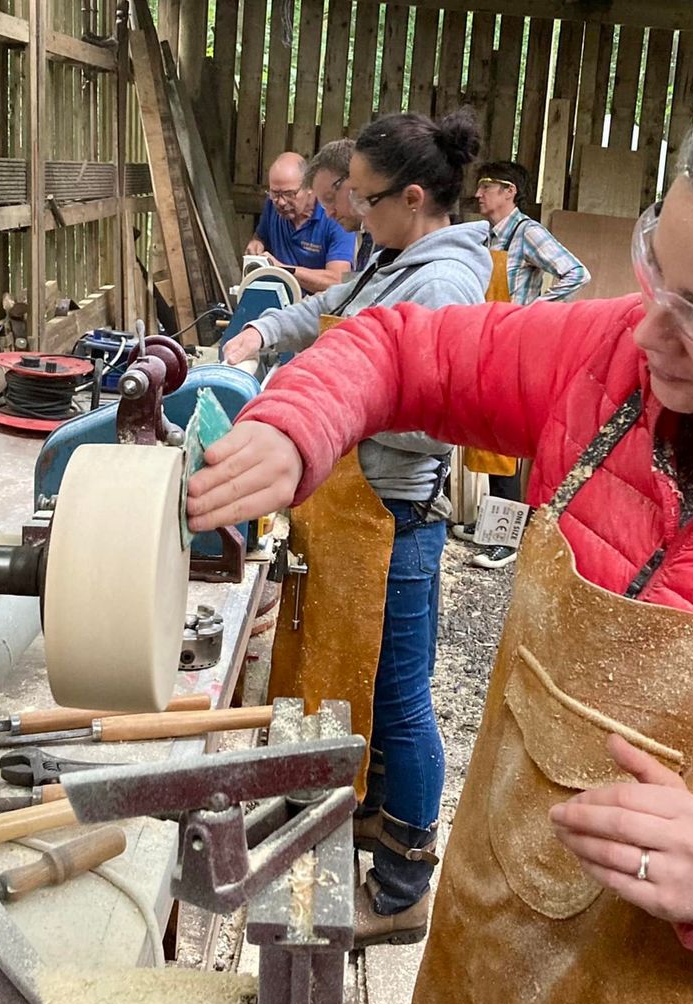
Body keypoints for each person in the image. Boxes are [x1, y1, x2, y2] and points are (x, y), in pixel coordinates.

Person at [189, 67, 693, 1004]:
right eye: (657, 268)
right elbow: (396, 346)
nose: (647, 330)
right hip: (489, 963)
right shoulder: (609, 364)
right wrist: (299, 425)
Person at [226, 109, 491, 948]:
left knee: (405, 701)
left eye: (368, 201)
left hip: (396, 516)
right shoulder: (396, 262)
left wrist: (329, 421)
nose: (355, 214)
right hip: (357, 507)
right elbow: (335, 307)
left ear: (414, 198)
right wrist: (261, 332)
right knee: (371, 681)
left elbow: (438, 421)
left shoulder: (443, 284)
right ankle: (374, 817)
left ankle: (408, 880)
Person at [458, 159, 592, 569]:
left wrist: (532, 314)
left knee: (503, 443)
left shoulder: (526, 232)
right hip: (486, 340)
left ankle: (505, 540)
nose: (478, 194)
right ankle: (492, 524)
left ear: (509, 192)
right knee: (482, 435)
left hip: (512, 345)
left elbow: (576, 273)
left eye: (486, 187)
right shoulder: (486, 236)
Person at [246, 152, 356, 294]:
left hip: (320, 307)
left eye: (289, 194)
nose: (281, 202)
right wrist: (256, 243)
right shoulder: (272, 205)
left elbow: (337, 281)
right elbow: (260, 236)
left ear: (310, 187)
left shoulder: (335, 217)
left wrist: (282, 270)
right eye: (275, 193)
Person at [305, 139, 375, 271]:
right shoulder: (367, 236)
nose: (329, 213)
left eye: (330, 198)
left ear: (355, 180)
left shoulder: (389, 241)